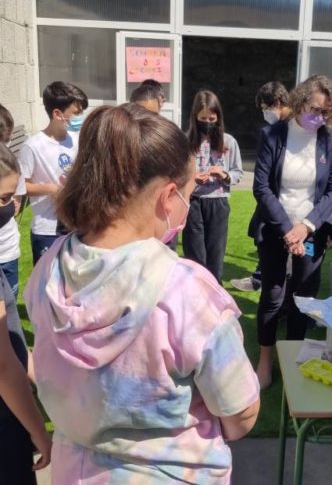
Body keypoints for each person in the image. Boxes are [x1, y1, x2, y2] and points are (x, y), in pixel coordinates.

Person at [24, 104, 260, 484]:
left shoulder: (47, 269)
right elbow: (240, 414)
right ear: (168, 197)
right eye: (188, 193)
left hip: (74, 471)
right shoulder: (187, 291)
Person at [253, 75, 332, 388]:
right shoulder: (273, 135)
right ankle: (266, 360)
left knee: (304, 296)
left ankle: (293, 357)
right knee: (272, 294)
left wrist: (305, 227)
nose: (318, 117)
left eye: (325, 112)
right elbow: (262, 187)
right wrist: (287, 229)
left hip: (310, 233)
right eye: (314, 109)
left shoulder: (330, 141)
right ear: (299, 102)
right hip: (276, 229)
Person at [0, 143, 51, 484]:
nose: (12, 207)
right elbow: (3, 366)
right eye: (4, 198)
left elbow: (13, 338)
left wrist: (45, 378)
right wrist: (39, 431)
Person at [18, 81, 88, 265]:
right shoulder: (32, 146)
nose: (80, 117)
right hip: (47, 229)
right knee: (47, 279)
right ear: (57, 114)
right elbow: (20, 185)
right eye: (76, 113)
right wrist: (50, 189)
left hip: (75, 224)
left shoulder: (76, 139)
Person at [231, 81, 291, 292]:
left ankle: (264, 280)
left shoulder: (293, 131)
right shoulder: (272, 132)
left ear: (277, 102)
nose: (265, 113)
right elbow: (261, 182)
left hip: (287, 203)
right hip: (270, 200)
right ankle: (260, 278)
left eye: (265, 108)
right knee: (265, 238)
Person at [182, 90, 243, 283]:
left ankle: (214, 292)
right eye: (202, 118)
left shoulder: (229, 141)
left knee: (215, 254)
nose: (207, 122)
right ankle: (194, 292)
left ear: (218, 117)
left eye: (211, 118)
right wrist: (192, 179)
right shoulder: (185, 141)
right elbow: (178, 174)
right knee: (195, 255)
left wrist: (224, 174)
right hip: (193, 202)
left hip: (218, 202)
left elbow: (237, 172)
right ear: (195, 117)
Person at [0, 105, 26, 297]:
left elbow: (16, 204)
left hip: (7, 251)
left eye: (7, 140)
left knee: (9, 307)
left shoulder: (11, 167)